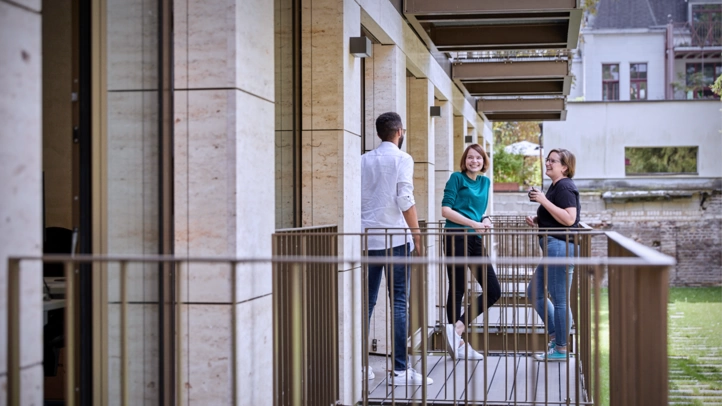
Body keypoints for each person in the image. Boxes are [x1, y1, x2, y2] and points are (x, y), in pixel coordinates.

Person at [362, 112, 432, 386]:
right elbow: (404, 197)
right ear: (399, 132)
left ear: (379, 133)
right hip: (396, 240)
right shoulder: (403, 159)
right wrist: (417, 236)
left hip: (367, 240)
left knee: (366, 303)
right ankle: (401, 371)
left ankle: (360, 366)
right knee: (399, 302)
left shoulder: (363, 160)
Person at [441, 144, 501, 360]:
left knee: (494, 291)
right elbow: (446, 210)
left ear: (484, 162)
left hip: (475, 238)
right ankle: (457, 343)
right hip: (455, 236)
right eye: (470, 157)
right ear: (464, 160)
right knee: (457, 288)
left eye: (478, 158)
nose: (474, 161)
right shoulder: (456, 178)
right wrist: (472, 223)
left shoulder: (485, 182)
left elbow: (479, 211)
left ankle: (457, 329)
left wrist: (484, 219)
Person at [525, 148, 581, 362]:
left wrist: (542, 200)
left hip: (561, 247)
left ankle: (561, 349)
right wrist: (539, 220)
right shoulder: (556, 186)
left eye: (553, 161)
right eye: (547, 160)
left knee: (559, 300)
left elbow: (569, 219)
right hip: (553, 246)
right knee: (534, 292)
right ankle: (556, 335)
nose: (547, 163)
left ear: (564, 167)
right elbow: (558, 216)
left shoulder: (565, 186)